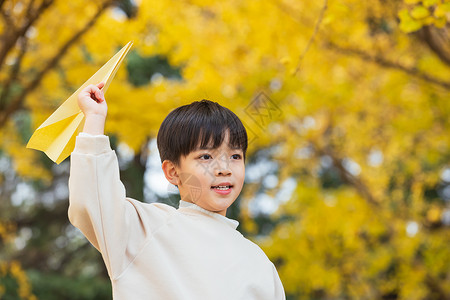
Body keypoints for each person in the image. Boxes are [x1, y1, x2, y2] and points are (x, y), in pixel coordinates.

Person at [68, 82, 286, 299]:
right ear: (172, 171)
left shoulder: (259, 263)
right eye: (206, 157)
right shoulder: (145, 230)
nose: (224, 169)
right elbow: (92, 200)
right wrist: (95, 119)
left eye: (235, 156)